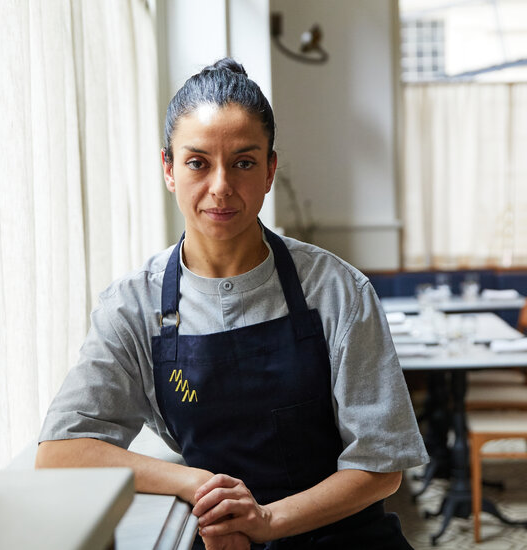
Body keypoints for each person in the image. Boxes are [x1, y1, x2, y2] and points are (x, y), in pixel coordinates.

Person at [35, 58, 428, 550]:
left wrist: (266, 520)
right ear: (169, 169)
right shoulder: (132, 306)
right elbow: (62, 451)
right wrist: (199, 485)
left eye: (243, 162)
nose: (221, 186)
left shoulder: (336, 290)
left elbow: (381, 465)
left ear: (270, 170)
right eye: (198, 162)